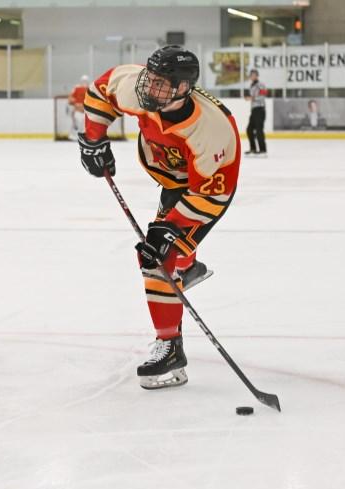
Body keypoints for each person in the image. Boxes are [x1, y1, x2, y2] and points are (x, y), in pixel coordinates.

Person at [78, 45, 241, 390]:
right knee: (168, 251)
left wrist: (169, 231)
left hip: (204, 189)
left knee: (157, 257)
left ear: (183, 88)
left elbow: (212, 194)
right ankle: (188, 267)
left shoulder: (211, 130)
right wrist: (94, 141)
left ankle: (170, 350)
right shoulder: (141, 90)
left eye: (160, 83)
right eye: (149, 78)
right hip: (171, 179)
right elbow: (101, 91)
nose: (148, 87)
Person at [244, 69, 267, 156]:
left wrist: (252, 98)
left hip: (260, 109)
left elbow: (263, 95)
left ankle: (263, 150)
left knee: (259, 130)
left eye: (254, 75)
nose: (252, 76)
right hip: (254, 110)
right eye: (251, 75)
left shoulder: (261, 85)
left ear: (257, 76)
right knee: (249, 130)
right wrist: (249, 97)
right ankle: (253, 149)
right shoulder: (251, 86)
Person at [67, 74, 90, 140]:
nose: (84, 82)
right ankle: (72, 135)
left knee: (84, 124)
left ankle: (82, 136)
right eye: (83, 81)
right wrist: (75, 103)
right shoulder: (76, 88)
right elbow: (70, 98)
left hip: (85, 111)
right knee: (77, 122)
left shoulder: (90, 89)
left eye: (86, 81)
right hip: (78, 110)